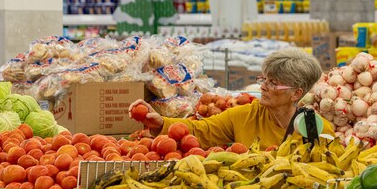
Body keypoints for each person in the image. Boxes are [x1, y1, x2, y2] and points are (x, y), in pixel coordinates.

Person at [128, 48, 334, 150]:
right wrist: (161, 123)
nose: (263, 86)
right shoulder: (245, 116)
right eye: (264, 79)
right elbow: (203, 129)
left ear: (296, 93)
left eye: (273, 83)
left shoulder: (317, 129)